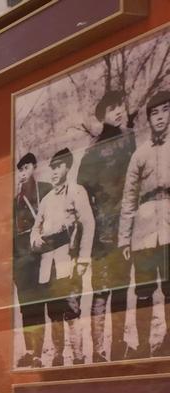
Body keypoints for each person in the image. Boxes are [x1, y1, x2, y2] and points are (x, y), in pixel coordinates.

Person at [78, 89, 141, 363]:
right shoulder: (92, 151)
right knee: (101, 290)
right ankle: (98, 353)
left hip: (126, 226)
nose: (118, 112)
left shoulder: (129, 138)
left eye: (120, 106)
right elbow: (82, 190)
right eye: (112, 108)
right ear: (102, 115)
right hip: (101, 232)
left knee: (123, 286)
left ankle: (117, 348)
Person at [31, 147, 94, 366]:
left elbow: (88, 224)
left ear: (68, 167)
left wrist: (84, 258)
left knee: (71, 308)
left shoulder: (77, 191)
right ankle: (57, 356)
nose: (55, 171)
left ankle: (77, 357)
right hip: (47, 263)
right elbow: (35, 228)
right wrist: (36, 239)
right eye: (53, 168)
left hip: (68, 259)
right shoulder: (46, 199)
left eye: (59, 167)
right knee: (54, 312)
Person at [120, 89, 170, 360]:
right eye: (154, 113)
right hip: (145, 231)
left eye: (165, 110)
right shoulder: (139, 154)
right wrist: (125, 238)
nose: (160, 117)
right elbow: (129, 198)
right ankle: (139, 349)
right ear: (148, 119)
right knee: (143, 290)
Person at [13, 152, 52, 365]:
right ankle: (29, 351)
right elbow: (11, 235)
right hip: (22, 263)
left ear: (34, 167)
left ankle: (38, 353)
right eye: (20, 170)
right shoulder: (16, 201)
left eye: (26, 168)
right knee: (26, 307)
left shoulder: (46, 190)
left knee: (41, 305)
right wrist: (14, 267)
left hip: (42, 257)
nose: (23, 173)